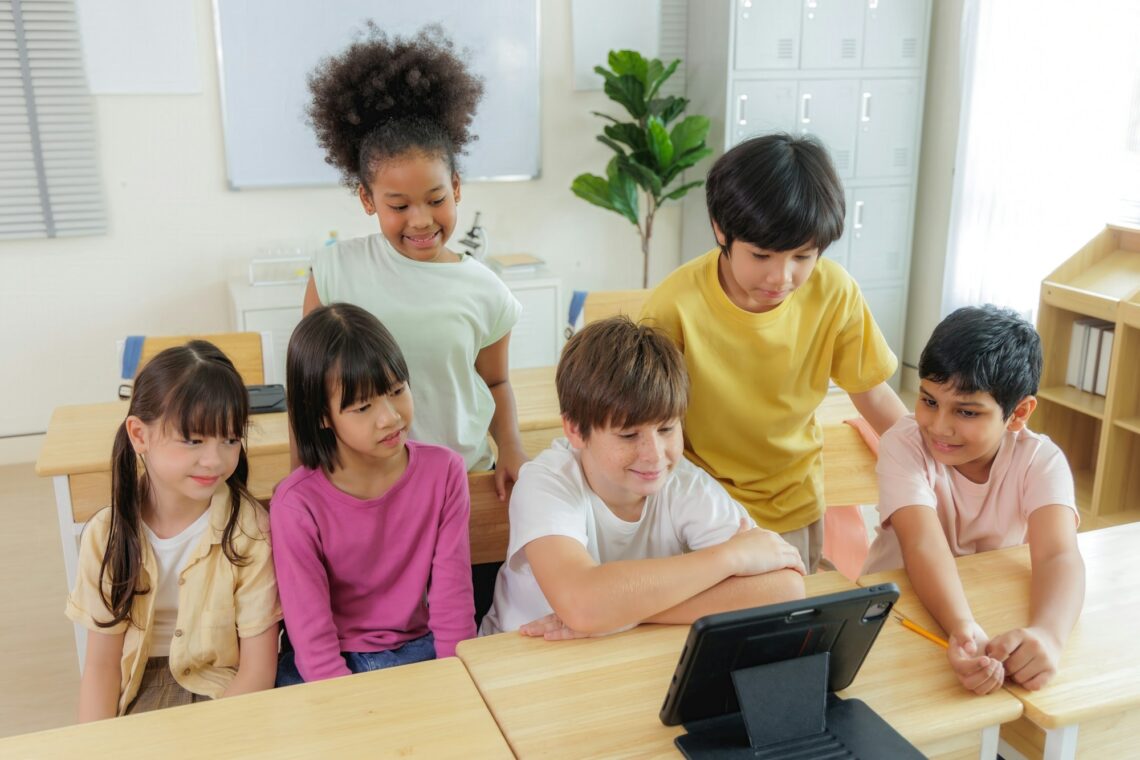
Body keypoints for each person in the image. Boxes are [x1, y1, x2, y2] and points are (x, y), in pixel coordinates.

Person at [640, 133, 907, 572]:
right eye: (761, 255)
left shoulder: (834, 291)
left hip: (792, 503)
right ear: (721, 230)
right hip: (699, 506)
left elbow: (872, 393)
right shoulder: (675, 306)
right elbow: (649, 419)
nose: (781, 276)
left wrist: (932, 461)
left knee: (787, 627)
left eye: (803, 256)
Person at [303, 23, 524, 499]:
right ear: (367, 199)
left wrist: (511, 447)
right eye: (399, 206)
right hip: (366, 487)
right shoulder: (334, 271)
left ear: (457, 188)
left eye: (436, 199)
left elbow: (497, 381)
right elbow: (311, 388)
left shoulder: (487, 291)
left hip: (461, 481)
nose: (421, 221)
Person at [480, 317, 806, 637]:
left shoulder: (683, 483)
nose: (655, 454)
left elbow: (785, 587)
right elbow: (582, 604)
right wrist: (730, 556)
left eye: (666, 429)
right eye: (628, 436)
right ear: (575, 430)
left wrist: (625, 615)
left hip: (618, 654)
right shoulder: (545, 483)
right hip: (520, 663)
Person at [864, 305, 1084, 694]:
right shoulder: (904, 443)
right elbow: (922, 545)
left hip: (988, 609)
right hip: (899, 611)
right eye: (929, 400)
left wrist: (1049, 635)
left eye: (966, 411)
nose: (939, 426)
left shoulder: (1040, 460)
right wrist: (962, 626)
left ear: (1018, 414)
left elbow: (1059, 555)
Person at [67, 342, 281, 720]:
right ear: (139, 435)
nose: (214, 459)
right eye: (193, 440)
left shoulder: (249, 531)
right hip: (138, 692)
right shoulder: (106, 535)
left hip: (224, 694)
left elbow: (258, 671)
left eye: (230, 439)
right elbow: (101, 667)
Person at [272, 303, 475, 684]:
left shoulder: (444, 473)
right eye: (363, 406)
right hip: (333, 664)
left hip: (422, 650)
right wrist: (347, 704)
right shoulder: (295, 505)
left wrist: (458, 682)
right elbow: (312, 639)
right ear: (321, 415)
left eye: (397, 390)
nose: (390, 417)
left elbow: (453, 605)